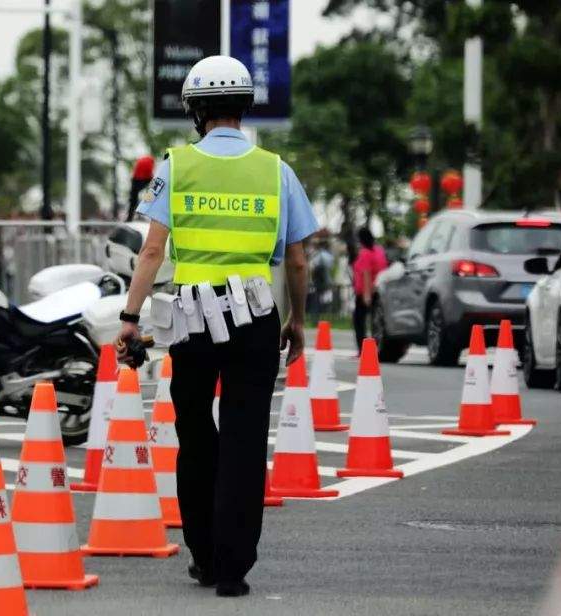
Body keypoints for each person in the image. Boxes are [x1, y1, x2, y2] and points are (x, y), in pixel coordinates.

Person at [117, 56, 318, 598]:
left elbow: (152, 250)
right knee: (246, 437)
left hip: (192, 318)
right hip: (256, 317)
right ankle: (233, 567)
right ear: (245, 108)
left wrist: (131, 319)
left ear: (194, 110)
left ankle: (203, 554)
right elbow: (297, 261)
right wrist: (296, 321)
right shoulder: (276, 170)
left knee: (196, 434)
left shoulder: (175, 166)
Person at [352, 226, 388, 350]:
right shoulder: (379, 250)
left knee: (359, 321)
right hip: (379, 290)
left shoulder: (365, 253)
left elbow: (366, 273)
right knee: (376, 321)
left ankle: (362, 349)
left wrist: (366, 295)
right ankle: (375, 346)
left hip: (364, 292)